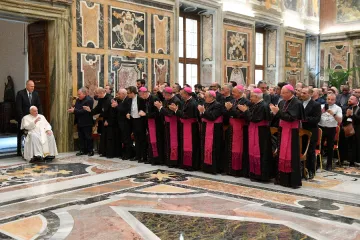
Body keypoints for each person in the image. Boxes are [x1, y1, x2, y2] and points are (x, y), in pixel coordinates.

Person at [270, 84, 304, 188]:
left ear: (290, 93)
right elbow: (279, 116)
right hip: (282, 131)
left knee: (290, 156)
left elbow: (291, 118)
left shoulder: (297, 103)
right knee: (281, 154)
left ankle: (291, 181)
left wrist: (278, 112)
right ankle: (281, 179)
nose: (281, 94)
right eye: (281, 92)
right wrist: (273, 112)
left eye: (284, 93)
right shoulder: (282, 102)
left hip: (291, 133)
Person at [242, 88, 273, 181]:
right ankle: (254, 173)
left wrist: (245, 111)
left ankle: (261, 175)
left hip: (261, 133)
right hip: (256, 130)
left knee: (261, 152)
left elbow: (254, 119)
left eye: (251, 96)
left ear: (256, 96)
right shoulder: (256, 104)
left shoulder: (263, 105)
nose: (250, 98)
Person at [224, 85, 250, 177]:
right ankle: (230, 169)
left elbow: (241, 115)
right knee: (230, 147)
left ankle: (238, 170)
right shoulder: (233, 101)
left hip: (240, 128)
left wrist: (231, 109)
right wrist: (228, 110)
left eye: (234, 92)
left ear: (240, 92)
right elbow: (228, 114)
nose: (232, 94)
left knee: (239, 148)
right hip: (232, 127)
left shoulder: (246, 102)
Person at [172, 87, 200, 171]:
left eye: (182, 93)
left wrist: (176, 110)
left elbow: (186, 116)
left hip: (191, 127)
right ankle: (186, 164)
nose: (180, 95)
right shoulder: (186, 102)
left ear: (186, 94)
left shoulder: (192, 103)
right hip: (186, 126)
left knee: (191, 146)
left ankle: (191, 165)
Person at [155, 87, 182, 167]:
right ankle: (168, 160)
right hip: (167, 124)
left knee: (173, 143)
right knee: (168, 142)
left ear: (167, 94)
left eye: (164, 95)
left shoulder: (176, 100)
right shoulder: (167, 100)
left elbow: (170, 114)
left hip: (174, 124)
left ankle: (174, 162)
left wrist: (160, 107)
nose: (163, 97)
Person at [198, 91, 224, 174]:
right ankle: (206, 167)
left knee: (214, 148)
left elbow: (213, 117)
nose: (204, 98)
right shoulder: (206, 104)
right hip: (206, 128)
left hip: (214, 131)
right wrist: (202, 112)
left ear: (212, 97)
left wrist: (203, 112)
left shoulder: (218, 105)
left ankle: (213, 168)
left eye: (206, 97)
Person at [16, 80, 43, 156]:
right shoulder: (20, 94)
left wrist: (41, 116)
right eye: (31, 86)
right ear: (27, 86)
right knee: (21, 133)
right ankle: (19, 151)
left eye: (33, 86)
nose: (33, 88)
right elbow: (19, 107)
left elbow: (39, 105)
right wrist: (22, 119)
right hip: (23, 117)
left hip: (33, 118)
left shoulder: (35, 94)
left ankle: (33, 151)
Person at [139, 87, 164, 165]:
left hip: (156, 123)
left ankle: (157, 159)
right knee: (150, 141)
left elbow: (158, 113)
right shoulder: (145, 99)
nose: (141, 97)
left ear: (145, 93)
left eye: (141, 95)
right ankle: (151, 158)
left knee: (156, 141)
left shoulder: (154, 98)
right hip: (149, 122)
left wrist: (146, 114)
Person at [83, 87, 111, 157]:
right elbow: (98, 108)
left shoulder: (109, 99)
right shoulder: (101, 99)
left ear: (101, 93)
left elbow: (110, 112)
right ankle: (104, 152)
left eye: (97, 94)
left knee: (109, 137)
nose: (96, 95)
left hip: (110, 121)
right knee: (103, 136)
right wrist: (90, 111)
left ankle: (109, 153)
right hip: (104, 120)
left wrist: (108, 120)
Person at [300, 87, 321, 179]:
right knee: (301, 150)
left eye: (304, 93)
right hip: (300, 131)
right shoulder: (299, 103)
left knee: (310, 151)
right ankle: (301, 170)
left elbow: (316, 119)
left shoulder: (315, 105)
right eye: (302, 93)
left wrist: (304, 119)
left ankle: (311, 170)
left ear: (310, 94)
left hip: (311, 130)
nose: (302, 95)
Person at [318, 93, 342, 170]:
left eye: (332, 99)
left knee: (330, 147)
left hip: (331, 129)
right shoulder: (321, 106)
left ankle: (329, 164)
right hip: (321, 127)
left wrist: (333, 114)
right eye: (328, 99)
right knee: (320, 146)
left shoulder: (338, 108)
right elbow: (316, 117)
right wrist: (321, 112)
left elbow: (340, 120)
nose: (330, 101)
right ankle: (318, 163)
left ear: (335, 100)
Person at [68, 88, 94, 156]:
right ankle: (82, 150)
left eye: (79, 94)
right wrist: (73, 110)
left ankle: (90, 150)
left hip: (87, 122)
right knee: (81, 137)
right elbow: (77, 109)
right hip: (79, 122)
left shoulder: (89, 100)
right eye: (78, 94)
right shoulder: (78, 100)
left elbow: (84, 111)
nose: (78, 95)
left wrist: (74, 111)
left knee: (88, 137)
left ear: (84, 94)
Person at [127, 86, 147, 162]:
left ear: (132, 93)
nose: (128, 95)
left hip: (140, 121)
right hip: (133, 121)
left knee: (142, 139)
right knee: (136, 139)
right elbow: (129, 109)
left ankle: (143, 156)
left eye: (128, 93)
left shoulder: (140, 99)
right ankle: (137, 155)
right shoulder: (129, 100)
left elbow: (144, 109)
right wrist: (128, 113)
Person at [112, 88, 133, 160]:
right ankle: (124, 153)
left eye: (119, 94)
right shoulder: (122, 100)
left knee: (127, 139)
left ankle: (128, 154)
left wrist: (117, 106)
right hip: (121, 123)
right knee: (124, 139)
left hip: (126, 123)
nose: (118, 95)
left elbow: (124, 110)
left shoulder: (127, 100)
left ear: (124, 94)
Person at [344, 96, 360, 166]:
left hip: (356, 129)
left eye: (351, 99)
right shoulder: (346, 108)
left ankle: (352, 161)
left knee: (354, 145)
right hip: (346, 128)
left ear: (356, 101)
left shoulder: (359, 109)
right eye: (349, 98)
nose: (349, 100)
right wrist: (346, 115)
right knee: (346, 144)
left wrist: (353, 115)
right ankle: (345, 159)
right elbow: (342, 119)